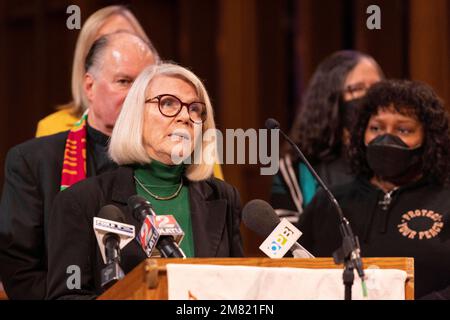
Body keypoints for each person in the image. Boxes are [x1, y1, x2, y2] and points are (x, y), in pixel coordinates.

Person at [46, 63, 244, 299]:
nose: (184, 116)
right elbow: (67, 296)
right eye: (168, 103)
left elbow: (237, 289)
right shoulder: (81, 202)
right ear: (136, 116)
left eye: (194, 109)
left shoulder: (223, 197)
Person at [0, 32, 157, 299]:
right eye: (123, 81)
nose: (135, 96)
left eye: (144, 85)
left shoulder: (165, 165)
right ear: (89, 86)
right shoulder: (33, 161)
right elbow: (21, 272)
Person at [298, 79, 450, 299]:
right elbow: (294, 275)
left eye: (404, 129)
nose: (386, 138)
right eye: (376, 128)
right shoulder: (329, 202)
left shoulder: (445, 200)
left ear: (429, 140)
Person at [270, 50, 384, 223]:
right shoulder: (297, 165)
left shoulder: (392, 158)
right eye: (358, 88)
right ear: (331, 97)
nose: (369, 96)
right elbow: (280, 239)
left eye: (377, 88)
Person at [35, 5, 158, 137]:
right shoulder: (55, 129)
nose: (119, 47)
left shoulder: (167, 122)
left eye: (127, 38)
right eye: (103, 43)